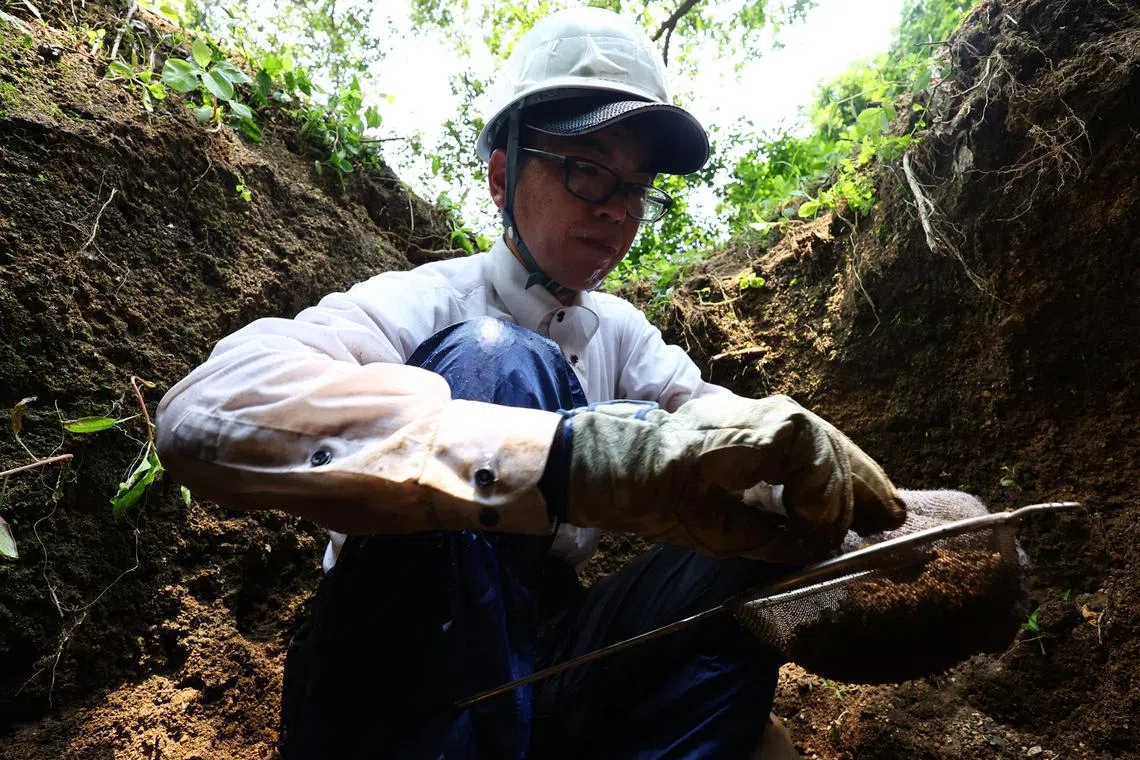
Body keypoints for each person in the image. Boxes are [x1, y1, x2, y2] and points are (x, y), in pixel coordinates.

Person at [156, 7, 905, 759]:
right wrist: (561, 458)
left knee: (747, 576)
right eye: (588, 170)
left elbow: (731, 432)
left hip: (555, 651)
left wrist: (888, 523)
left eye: (638, 188)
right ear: (503, 174)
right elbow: (203, 413)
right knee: (496, 362)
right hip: (391, 669)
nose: (618, 210)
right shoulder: (427, 304)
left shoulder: (621, 333)